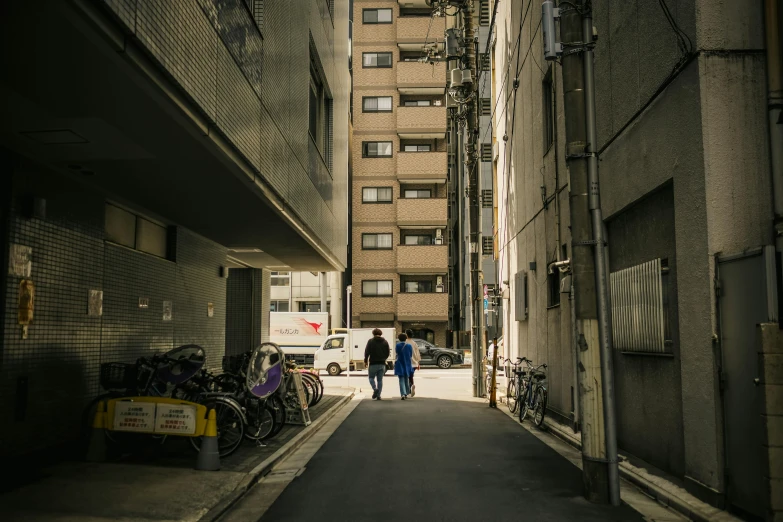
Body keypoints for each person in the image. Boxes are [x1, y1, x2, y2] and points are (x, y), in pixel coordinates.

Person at [364, 328, 390, 400]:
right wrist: (384, 358)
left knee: (371, 378)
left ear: (373, 334)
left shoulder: (370, 341)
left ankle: (375, 389)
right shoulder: (385, 342)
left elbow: (367, 352)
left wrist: (365, 361)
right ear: (381, 334)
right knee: (380, 380)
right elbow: (388, 352)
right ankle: (378, 396)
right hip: (382, 363)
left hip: (373, 363)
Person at [394, 333, 414, 400]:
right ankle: (407, 393)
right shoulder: (409, 346)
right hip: (407, 363)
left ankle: (403, 393)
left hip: (400, 363)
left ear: (399, 339)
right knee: (406, 378)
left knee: (401, 379)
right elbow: (411, 355)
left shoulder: (397, 345)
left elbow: (396, 353)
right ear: (406, 338)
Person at [405, 329, 421, 397]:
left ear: (406, 334)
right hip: (414, 362)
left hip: (407, 362)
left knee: (407, 377)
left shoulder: (404, 342)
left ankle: (408, 391)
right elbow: (417, 353)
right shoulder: (414, 343)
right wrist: (418, 362)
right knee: (411, 376)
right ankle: (412, 385)